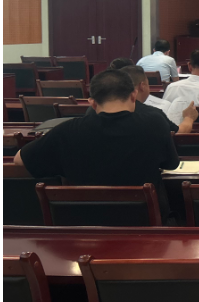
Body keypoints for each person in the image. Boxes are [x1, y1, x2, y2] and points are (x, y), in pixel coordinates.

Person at [15, 69, 181, 219]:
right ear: (133, 96)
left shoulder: (67, 130)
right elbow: (171, 164)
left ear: (92, 103)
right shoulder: (155, 123)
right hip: (145, 222)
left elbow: (19, 160)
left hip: (82, 225)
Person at [120, 65, 197, 134]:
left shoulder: (115, 111)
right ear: (142, 86)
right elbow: (178, 132)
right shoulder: (153, 115)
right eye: (148, 84)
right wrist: (189, 118)